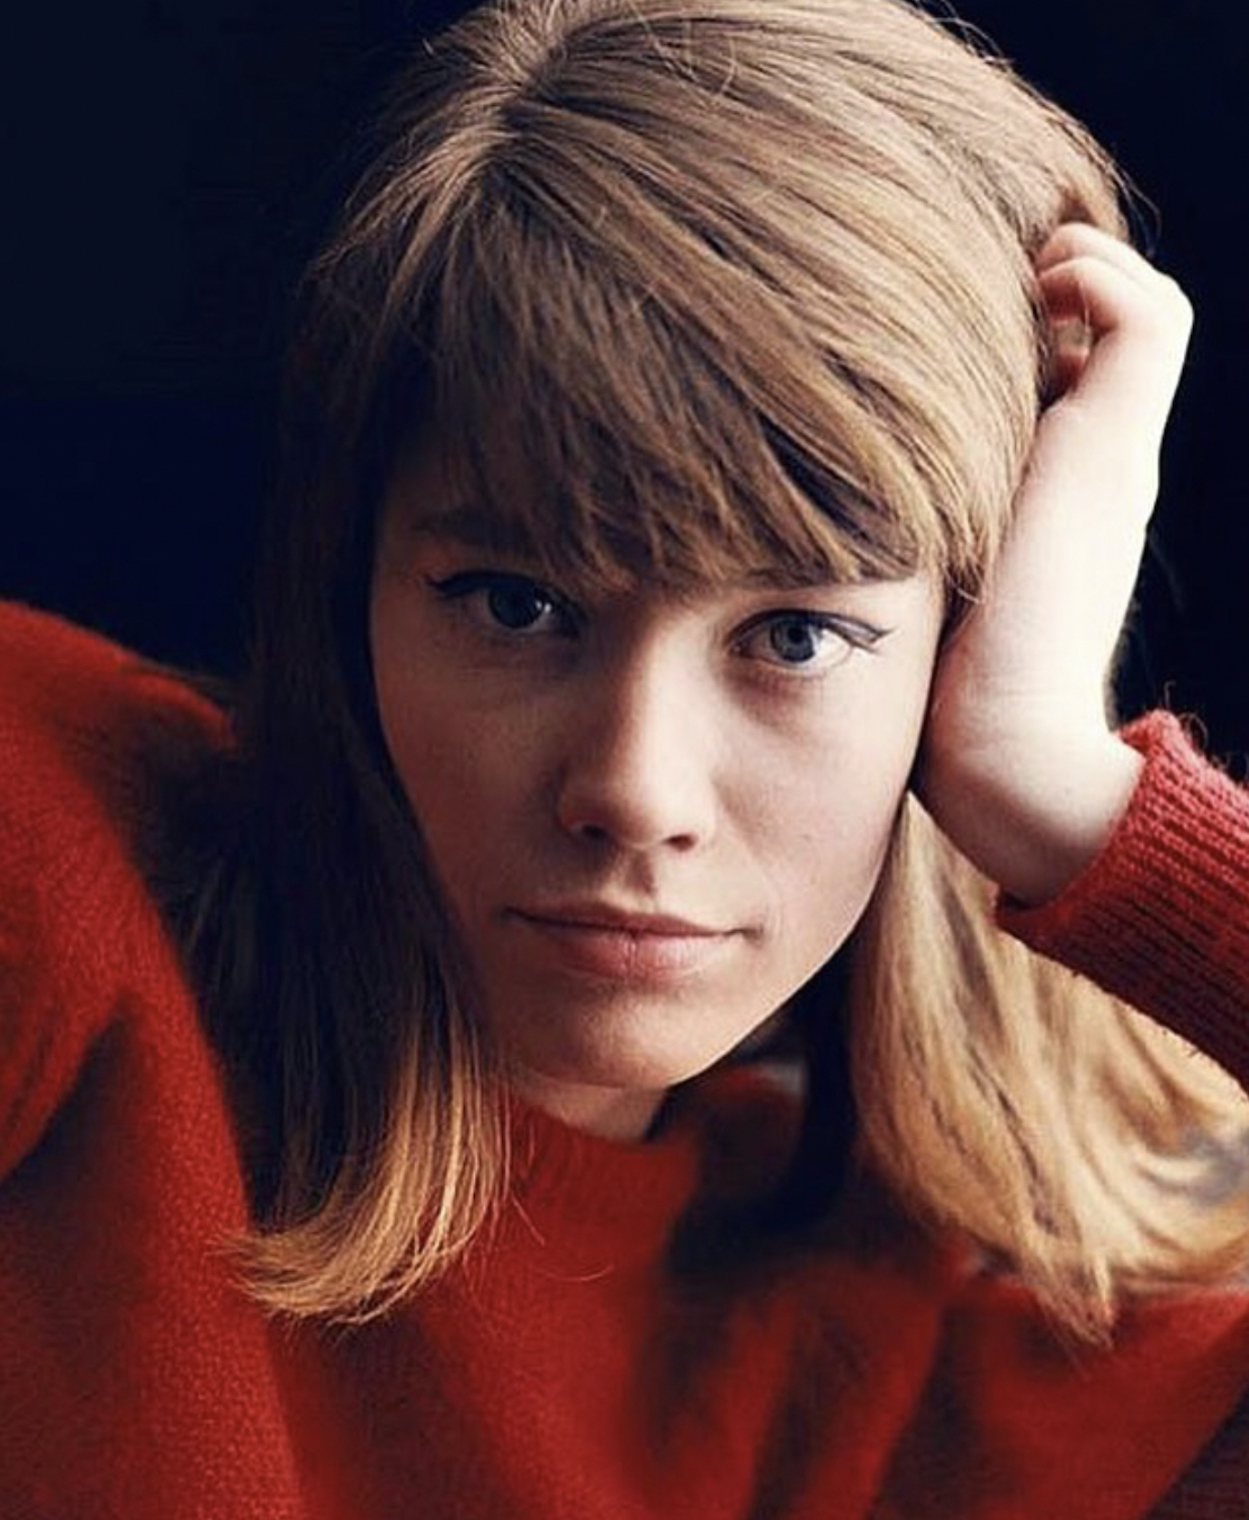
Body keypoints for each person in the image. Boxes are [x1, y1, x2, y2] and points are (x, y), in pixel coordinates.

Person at [3, 0, 1248, 1514]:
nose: (633, 792)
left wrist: (1057, 786)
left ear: (964, 637)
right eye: (516, 605)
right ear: (353, 586)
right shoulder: (51, 846)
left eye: (795, 634)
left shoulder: (948, 1372)